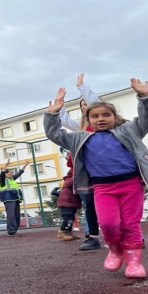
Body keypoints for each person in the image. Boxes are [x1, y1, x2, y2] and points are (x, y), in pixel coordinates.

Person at [44, 78, 148, 279]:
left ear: (115, 117)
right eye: (95, 116)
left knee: (130, 224)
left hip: (131, 185)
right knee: (107, 224)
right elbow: (54, 134)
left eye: (106, 115)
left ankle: (134, 262)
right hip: (103, 188)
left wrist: (146, 96)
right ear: (88, 120)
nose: (101, 119)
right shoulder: (80, 137)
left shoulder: (128, 130)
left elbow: (147, 117)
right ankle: (115, 249)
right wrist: (53, 113)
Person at [55, 73, 102, 250]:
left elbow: (97, 104)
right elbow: (64, 120)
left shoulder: (106, 123)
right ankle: (92, 236)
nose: (85, 107)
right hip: (85, 171)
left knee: (108, 202)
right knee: (90, 204)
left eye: (86, 103)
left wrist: (82, 87)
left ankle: (125, 233)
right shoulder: (80, 126)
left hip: (104, 169)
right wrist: (60, 106)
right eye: (82, 105)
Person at [50, 152, 82, 241]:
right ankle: (63, 232)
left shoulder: (69, 181)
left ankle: (68, 232)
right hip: (67, 203)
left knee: (70, 218)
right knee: (68, 218)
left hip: (70, 203)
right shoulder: (69, 180)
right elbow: (72, 182)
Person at [0, 158, 31, 236]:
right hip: (8, 199)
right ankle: (11, 231)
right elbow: (2, 174)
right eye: (10, 172)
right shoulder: (2, 180)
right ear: (6, 173)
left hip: (15, 199)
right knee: (11, 215)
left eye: (12, 172)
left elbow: (19, 173)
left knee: (17, 215)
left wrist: (25, 166)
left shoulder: (12, 179)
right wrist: (5, 166)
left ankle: (14, 230)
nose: (12, 173)